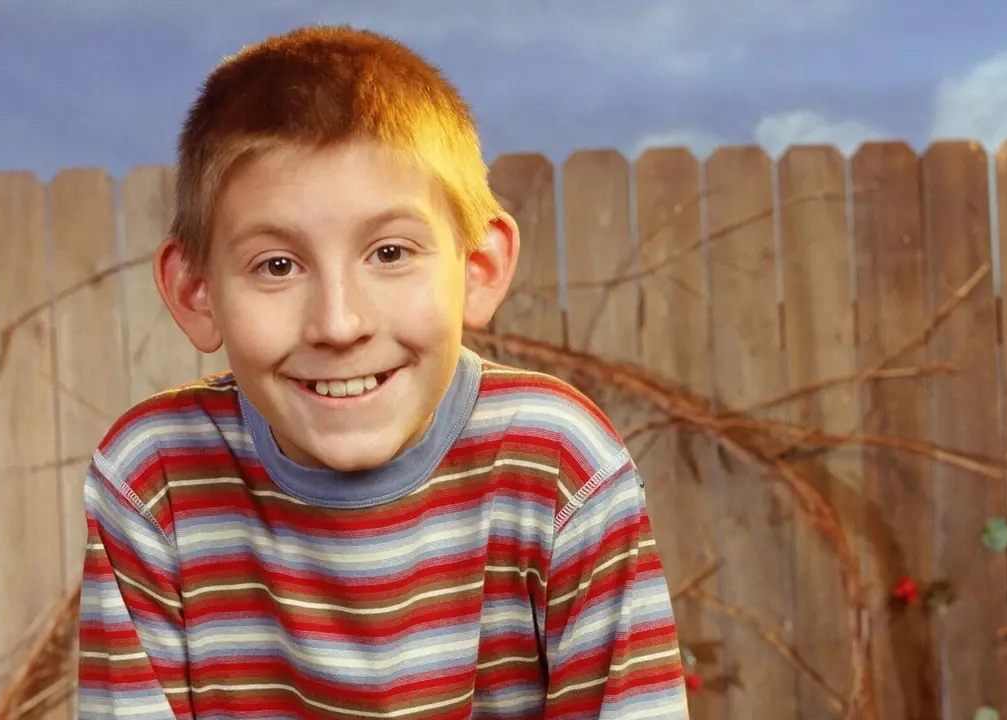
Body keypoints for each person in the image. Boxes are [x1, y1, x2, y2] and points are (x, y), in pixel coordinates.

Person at [76, 24, 689, 720]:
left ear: (478, 268)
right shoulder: (154, 480)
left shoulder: (559, 467)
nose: (339, 324)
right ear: (197, 293)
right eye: (277, 265)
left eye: (390, 253)